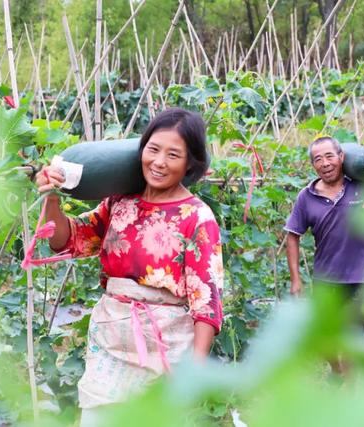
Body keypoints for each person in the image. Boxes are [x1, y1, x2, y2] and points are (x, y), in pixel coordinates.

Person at [35, 108, 223, 425]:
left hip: (168, 344)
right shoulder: (119, 202)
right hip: (112, 336)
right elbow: (70, 240)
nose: (159, 162)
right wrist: (51, 198)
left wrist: (197, 364)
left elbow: (206, 298)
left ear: (190, 163)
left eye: (173, 155)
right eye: (153, 149)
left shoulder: (197, 216)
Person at [284, 136, 364, 336]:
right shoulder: (306, 196)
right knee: (325, 338)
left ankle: (349, 367)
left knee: (354, 338)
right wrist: (295, 279)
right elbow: (292, 236)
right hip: (326, 279)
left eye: (329, 156)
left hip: (360, 277)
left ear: (341, 157)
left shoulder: (361, 187)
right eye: (318, 159)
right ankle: (338, 369)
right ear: (313, 165)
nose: (324, 163)